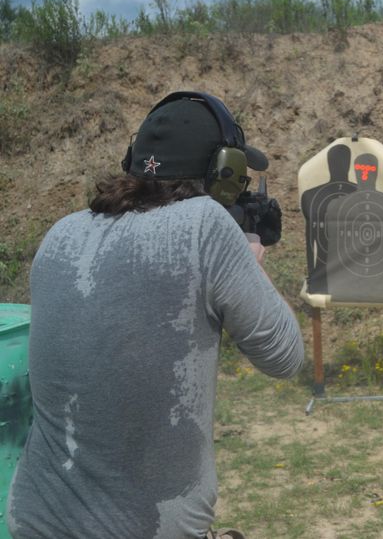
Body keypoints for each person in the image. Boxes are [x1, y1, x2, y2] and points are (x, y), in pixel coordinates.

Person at [6, 91, 304, 539]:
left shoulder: (60, 235)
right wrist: (251, 263)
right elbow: (285, 357)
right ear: (224, 172)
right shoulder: (206, 224)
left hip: (33, 523)